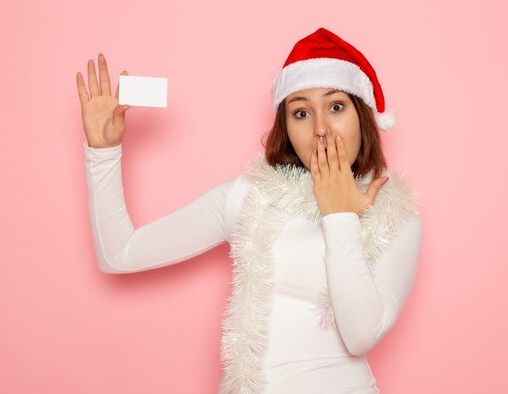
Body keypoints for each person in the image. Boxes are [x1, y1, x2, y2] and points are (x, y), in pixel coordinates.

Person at [76, 27, 424, 394]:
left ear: (363, 115)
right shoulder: (250, 196)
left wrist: (339, 215)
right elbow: (119, 254)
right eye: (301, 112)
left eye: (336, 107)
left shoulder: (395, 213)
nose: (321, 129)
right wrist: (103, 152)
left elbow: (360, 336)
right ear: (287, 128)